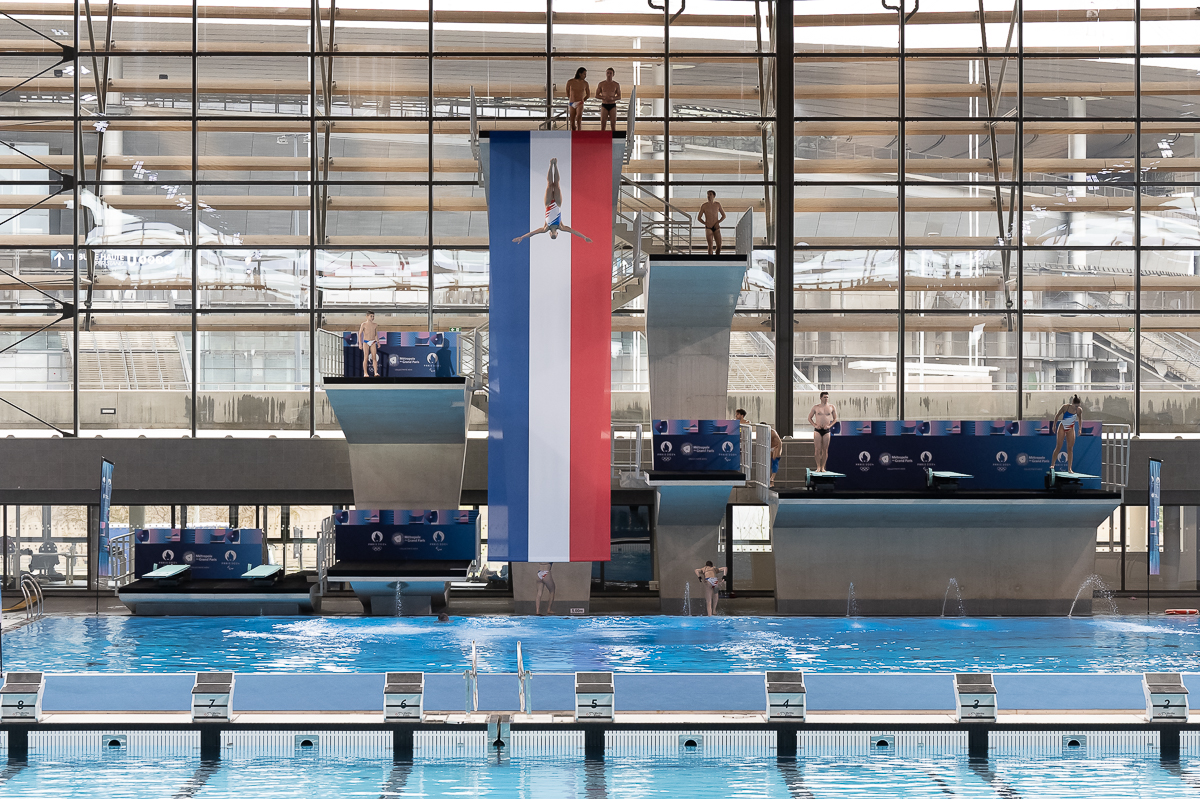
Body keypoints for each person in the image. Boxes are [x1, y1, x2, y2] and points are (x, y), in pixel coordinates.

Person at [512, 159, 593, 244]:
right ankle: (555, 165)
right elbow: (574, 232)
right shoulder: (561, 227)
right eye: (555, 237)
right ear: (557, 234)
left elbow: (532, 233)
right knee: (557, 184)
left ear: (549, 234)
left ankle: (551, 165)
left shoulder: (545, 228)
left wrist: (522, 237)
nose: (553, 236)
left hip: (548, 204)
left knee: (550, 184)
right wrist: (584, 237)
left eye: (551, 237)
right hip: (557, 203)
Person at [1051, 394, 1084, 473]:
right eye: (1075, 406)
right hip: (1062, 427)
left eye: (1078, 406)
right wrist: (1054, 425)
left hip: (1071, 428)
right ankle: (1052, 464)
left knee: (1070, 448)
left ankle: (1069, 468)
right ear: (1072, 403)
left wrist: (1080, 429)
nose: (1076, 407)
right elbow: (1057, 415)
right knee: (1058, 446)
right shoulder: (1065, 407)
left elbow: (1080, 419)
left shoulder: (1079, 410)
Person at [807, 391, 838, 472]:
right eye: (824, 397)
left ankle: (823, 467)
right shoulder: (816, 407)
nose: (826, 399)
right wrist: (815, 425)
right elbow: (809, 418)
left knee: (825, 450)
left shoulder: (831, 407)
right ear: (820, 398)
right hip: (817, 430)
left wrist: (829, 426)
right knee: (817, 449)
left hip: (826, 430)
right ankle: (818, 466)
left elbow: (835, 419)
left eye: (827, 397)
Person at [698, 191, 727, 255]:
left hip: (716, 227)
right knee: (710, 246)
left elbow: (724, 216)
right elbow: (699, 218)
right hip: (708, 227)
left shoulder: (717, 204)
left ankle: (717, 257)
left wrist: (718, 222)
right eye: (708, 194)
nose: (709, 196)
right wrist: (705, 223)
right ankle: (710, 259)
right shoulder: (704, 206)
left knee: (719, 245)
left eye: (710, 194)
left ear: (714, 196)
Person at [597, 67, 621, 132]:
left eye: (610, 73)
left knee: (613, 125)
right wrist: (603, 97)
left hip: (612, 105)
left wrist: (612, 98)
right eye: (608, 73)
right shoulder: (601, 84)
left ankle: (614, 137)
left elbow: (619, 96)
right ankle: (602, 138)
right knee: (603, 124)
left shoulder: (616, 84)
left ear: (613, 74)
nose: (609, 75)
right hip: (604, 104)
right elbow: (597, 95)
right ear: (606, 74)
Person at [566, 67, 590, 131]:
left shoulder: (585, 83)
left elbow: (588, 94)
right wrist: (571, 98)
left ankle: (579, 132)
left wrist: (583, 100)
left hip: (580, 102)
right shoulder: (570, 82)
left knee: (579, 118)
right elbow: (567, 92)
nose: (585, 76)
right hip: (572, 102)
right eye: (584, 74)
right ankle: (573, 132)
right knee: (572, 122)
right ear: (580, 74)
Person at [358, 310, 379, 377]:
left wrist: (378, 342)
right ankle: (365, 373)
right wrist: (360, 343)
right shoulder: (363, 324)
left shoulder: (375, 325)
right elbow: (360, 334)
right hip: (366, 342)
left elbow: (376, 335)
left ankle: (375, 372)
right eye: (371, 316)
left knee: (374, 357)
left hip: (373, 341)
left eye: (373, 316)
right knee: (366, 357)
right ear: (367, 316)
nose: (372, 317)